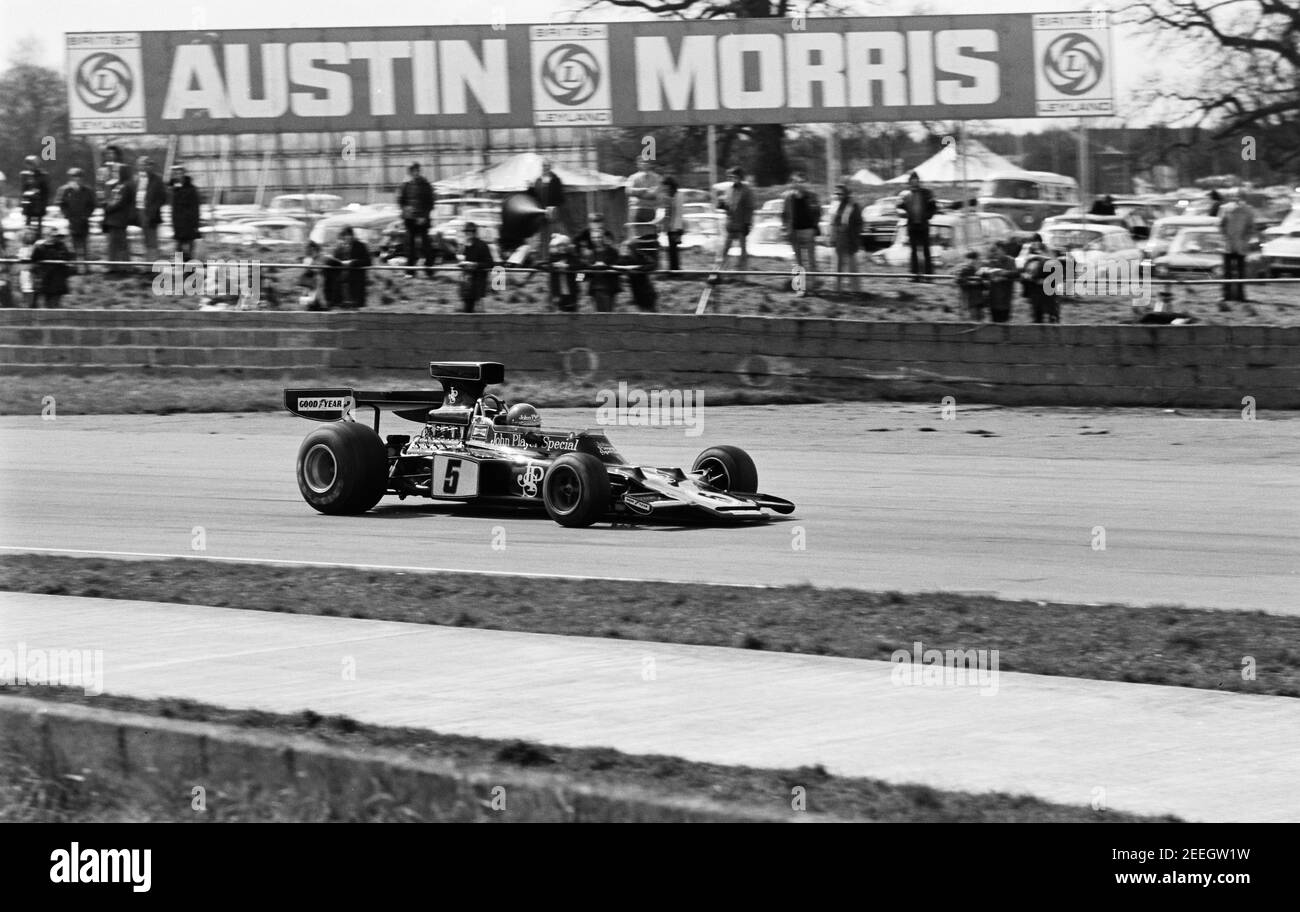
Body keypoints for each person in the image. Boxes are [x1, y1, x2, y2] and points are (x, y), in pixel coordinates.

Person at [783, 171, 821, 293]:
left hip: (808, 231)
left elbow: (818, 212)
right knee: (798, 261)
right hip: (794, 232)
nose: (799, 184)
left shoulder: (812, 196)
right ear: (793, 183)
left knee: (811, 260)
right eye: (797, 182)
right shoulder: (788, 198)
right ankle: (800, 288)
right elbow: (784, 215)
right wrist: (786, 229)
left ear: (806, 182)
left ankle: (813, 286)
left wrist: (815, 225)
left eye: (802, 181)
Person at [896, 171, 937, 282]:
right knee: (913, 251)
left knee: (926, 251)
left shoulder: (927, 193)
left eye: (916, 180)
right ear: (909, 182)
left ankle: (929, 277)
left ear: (918, 181)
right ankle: (914, 275)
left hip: (923, 226)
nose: (914, 183)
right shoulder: (905, 194)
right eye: (912, 181)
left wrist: (927, 216)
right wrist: (902, 213)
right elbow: (898, 207)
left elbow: (934, 207)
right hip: (912, 226)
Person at [397, 162, 435, 276]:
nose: (415, 172)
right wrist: (406, 211)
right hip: (410, 220)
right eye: (413, 170)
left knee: (426, 245)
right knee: (410, 246)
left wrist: (424, 216)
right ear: (410, 172)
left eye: (417, 170)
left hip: (423, 220)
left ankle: (429, 270)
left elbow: (431, 202)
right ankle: (410, 271)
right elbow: (401, 201)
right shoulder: (405, 185)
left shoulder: (426, 184)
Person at [56, 167, 97, 264]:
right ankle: (75, 265)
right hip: (72, 221)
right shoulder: (65, 190)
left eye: (79, 177)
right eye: (74, 177)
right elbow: (61, 203)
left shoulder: (87, 190)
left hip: (84, 221)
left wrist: (86, 215)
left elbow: (92, 205)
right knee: (73, 244)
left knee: (85, 244)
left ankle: (86, 266)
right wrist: (67, 215)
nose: (77, 179)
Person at [1219, 195, 1256, 303]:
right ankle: (1228, 295)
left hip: (1238, 246)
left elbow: (1251, 228)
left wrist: (1245, 239)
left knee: (1238, 273)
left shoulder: (1247, 211)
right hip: (1229, 246)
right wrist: (1226, 237)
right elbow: (1221, 225)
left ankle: (1238, 295)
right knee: (1229, 273)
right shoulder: (1226, 209)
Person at [100, 164, 136, 275]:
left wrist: (107, 207)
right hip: (115, 219)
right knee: (116, 244)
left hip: (118, 219)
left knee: (117, 244)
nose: (114, 172)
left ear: (122, 172)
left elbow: (119, 202)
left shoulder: (125, 186)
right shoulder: (120, 185)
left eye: (116, 170)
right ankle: (119, 266)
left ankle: (120, 267)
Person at [579, 219, 621, 313]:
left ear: (602, 237)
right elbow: (584, 269)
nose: (596, 240)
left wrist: (605, 266)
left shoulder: (612, 252)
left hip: (608, 287)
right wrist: (579, 278)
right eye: (594, 238)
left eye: (598, 237)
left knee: (607, 314)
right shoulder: (590, 254)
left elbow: (618, 266)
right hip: (595, 288)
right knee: (597, 315)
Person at [719, 166, 755, 271]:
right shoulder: (729, 189)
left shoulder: (747, 190)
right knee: (725, 249)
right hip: (731, 224)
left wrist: (747, 223)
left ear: (740, 177)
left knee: (743, 250)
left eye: (734, 176)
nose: (732, 178)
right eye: (730, 176)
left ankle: (742, 274)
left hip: (742, 224)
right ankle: (722, 271)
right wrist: (723, 206)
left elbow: (750, 208)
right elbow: (729, 206)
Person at [829, 184, 863, 293]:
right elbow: (832, 223)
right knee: (837, 265)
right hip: (839, 238)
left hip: (850, 238)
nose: (838, 196)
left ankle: (856, 290)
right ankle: (837, 289)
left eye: (840, 193)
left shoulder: (853, 205)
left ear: (846, 194)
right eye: (836, 193)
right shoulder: (835, 205)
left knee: (852, 266)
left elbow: (859, 223)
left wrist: (855, 235)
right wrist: (832, 237)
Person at [530, 158, 567, 255]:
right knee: (541, 235)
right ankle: (542, 255)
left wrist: (553, 207)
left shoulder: (555, 180)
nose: (545, 168)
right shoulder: (538, 180)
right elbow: (535, 196)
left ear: (550, 167)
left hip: (552, 212)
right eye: (544, 166)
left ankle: (552, 255)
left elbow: (560, 196)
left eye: (547, 166)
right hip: (541, 212)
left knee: (553, 233)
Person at [457, 222, 495, 313]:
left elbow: (490, 263)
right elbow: (460, 260)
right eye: (466, 232)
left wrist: (475, 265)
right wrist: (461, 263)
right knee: (467, 310)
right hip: (466, 283)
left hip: (478, 282)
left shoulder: (482, 245)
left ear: (474, 232)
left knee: (479, 312)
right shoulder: (464, 246)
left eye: (469, 232)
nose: (467, 234)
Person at [31, 228, 73, 308]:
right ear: (46, 236)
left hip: (58, 280)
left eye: (56, 236)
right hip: (46, 280)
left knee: (55, 303)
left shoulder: (61, 246)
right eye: (52, 236)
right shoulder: (40, 247)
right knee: (47, 304)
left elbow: (66, 257)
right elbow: (34, 259)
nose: (55, 238)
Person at [331, 226, 372, 308]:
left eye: (347, 235)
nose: (345, 238)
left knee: (357, 308)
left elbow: (368, 262)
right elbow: (335, 261)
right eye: (343, 236)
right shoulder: (339, 248)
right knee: (343, 308)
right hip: (342, 283)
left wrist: (353, 262)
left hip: (356, 282)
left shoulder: (361, 246)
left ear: (352, 235)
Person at [168, 165, 202, 260]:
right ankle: (181, 268)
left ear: (183, 174)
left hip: (189, 224)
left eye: (179, 173)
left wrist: (195, 224)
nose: (177, 175)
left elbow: (195, 208)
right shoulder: (174, 189)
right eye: (175, 173)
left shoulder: (191, 189)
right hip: (178, 224)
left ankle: (190, 268)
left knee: (189, 248)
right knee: (179, 249)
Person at [135, 157, 166, 260]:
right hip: (140, 211)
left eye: (145, 165)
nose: (143, 167)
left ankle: (155, 266)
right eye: (140, 165)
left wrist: (152, 211)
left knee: (153, 242)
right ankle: (148, 265)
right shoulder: (137, 179)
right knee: (146, 241)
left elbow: (162, 198)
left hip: (152, 214)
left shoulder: (157, 179)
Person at [617, 239, 657, 312]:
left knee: (653, 315)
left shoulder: (640, 256)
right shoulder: (625, 259)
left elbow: (653, 264)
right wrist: (621, 255)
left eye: (627, 248)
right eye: (624, 248)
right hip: (637, 294)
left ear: (632, 248)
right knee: (643, 316)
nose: (626, 250)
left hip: (647, 292)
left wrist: (639, 268)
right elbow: (617, 266)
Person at [984, 240, 1018, 323]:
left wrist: (1002, 274)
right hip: (993, 297)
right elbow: (985, 273)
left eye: (998, 249)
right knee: (994, 321)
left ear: (1003, 250)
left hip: (1005, 296)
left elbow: (1015, 274)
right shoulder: (992, 261)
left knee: (1004, 321)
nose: (996, 252)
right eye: (995, 249)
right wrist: (990, 275)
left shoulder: (1010, 261)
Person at [625, 158, 660, 232]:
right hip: (635, 210)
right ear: (638, 164)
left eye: (647, 162)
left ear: (650, 164)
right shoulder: (632, 177)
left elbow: (654, 194)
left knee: (649, 234)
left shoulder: (656, 178)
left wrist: (637, 194)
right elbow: (628, 191)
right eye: (642, 162)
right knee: (635, 234)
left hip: (650, 210)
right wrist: (643, 190)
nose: (644, 164)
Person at [547, 234, 579, 313]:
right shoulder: (553, 257)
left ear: (567, 246)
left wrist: (567, 266)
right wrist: (555, 266)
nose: (562, 248)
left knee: (572, 314)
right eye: (560, 245)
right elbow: (547, 266)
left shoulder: (572, 257)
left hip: (571, 292)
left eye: (564, 245)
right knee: (558, 314)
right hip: (557, 291)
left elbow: (579, 266)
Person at [18, 156, 50, 233]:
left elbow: (46, 191)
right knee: (27, 226)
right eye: (28, 164)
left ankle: (38, 240)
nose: (29, 166)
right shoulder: (25, 175)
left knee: (38, 227)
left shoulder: (43, 175)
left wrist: (44, 204)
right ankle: (27, 240)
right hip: (28, 203)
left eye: (31, 164)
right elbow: (23, 189)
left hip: (38, 203)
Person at [660, 175, 685, 272]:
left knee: (674, 250)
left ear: (670, 185)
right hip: (670, 228)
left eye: (666, 185)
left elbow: (679, 213)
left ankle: (675, 270)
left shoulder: (678, 195)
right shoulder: (668, 196)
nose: (665, 188)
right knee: (671, 250)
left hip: (676, 227)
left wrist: (678, 229)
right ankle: (673, 269)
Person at [955, 250, 986, 321]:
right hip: (970, 302)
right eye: (978, 259)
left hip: (978, 301)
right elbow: (958, 279)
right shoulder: (964, 269)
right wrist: (971, 283)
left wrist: (983, 283)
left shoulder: (978, 270)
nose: (980, 261)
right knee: (972, 323)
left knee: (979, 322)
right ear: (973, 260)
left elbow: (983, 284)